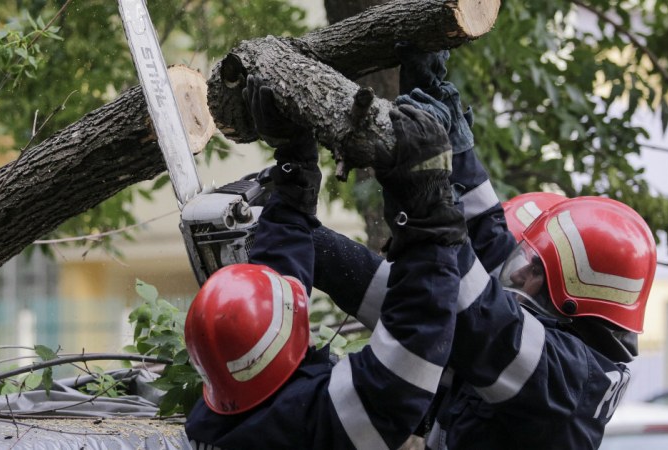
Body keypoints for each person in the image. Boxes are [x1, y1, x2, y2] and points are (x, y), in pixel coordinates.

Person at [309, 49, 657, 449]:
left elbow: (472, 313)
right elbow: (485, 244)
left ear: (574, 305)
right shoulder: (559, 334)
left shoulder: (567, 377)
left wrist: (427, 196)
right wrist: (455, 144)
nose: (520, 271)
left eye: (535, 270)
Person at [183, 75, 468, 449]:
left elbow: (274, 285)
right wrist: (429, 216)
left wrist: (293, 171)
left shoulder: (221, 416)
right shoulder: (319, 423)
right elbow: (413, 344)